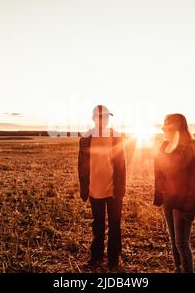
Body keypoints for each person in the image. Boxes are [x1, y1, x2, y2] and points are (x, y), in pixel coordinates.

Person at [153, 113, 195, 273]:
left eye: (167, 127)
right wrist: (160, 195)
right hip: (168, 198)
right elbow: (160, 171)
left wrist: (190, 206)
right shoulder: (164, 146)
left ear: (177, 128)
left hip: (183, 202)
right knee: (173, 240)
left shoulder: (191, 149)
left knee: (182, 243)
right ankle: (177, 269)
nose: (163, 130)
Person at [78, 105, 126, 271]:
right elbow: (81, 166)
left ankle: (113, 259)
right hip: (94, 190)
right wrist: (84, 189)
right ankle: (96, 256)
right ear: (93, 118)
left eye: (107, 117)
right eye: (101, 116)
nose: (104, 119)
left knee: (114, 226)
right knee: (97, 225)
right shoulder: (86, 137)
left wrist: (120, 189)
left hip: (113, 191)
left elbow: (121, 165)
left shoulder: (115, 136)